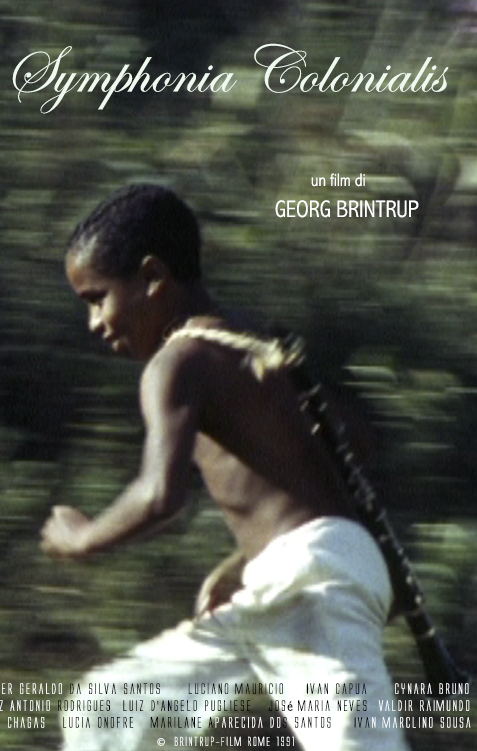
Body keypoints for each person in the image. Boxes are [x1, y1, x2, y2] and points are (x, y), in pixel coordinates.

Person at [41, 184, 409, 751]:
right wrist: (248, 560)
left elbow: (160, 495)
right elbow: (354, 445)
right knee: (107, 712)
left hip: (310, 583)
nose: (94, 321)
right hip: (298, 576)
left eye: (97, 298)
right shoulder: (253, 342)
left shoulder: (177, 362)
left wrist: (82, 537)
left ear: (153, 278)